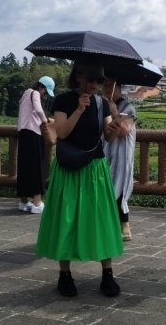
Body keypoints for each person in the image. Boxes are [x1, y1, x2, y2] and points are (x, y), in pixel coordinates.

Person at [36, 64, 124, 298]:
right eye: (90, 79)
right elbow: (61, 133)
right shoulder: (63, 101)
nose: (95, 84)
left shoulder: (102, 103)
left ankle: (107, 274)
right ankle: (65, 275)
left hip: (95, 168)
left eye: (99, 80)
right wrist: (78, 110)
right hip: (68, 168)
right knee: (66, 219)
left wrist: (115, 126)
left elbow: (108, 137)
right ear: (78, 76)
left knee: (101, 219)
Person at [102, 75, 136, 241]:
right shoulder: (101, 105)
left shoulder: (127, 107)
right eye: (105, 85)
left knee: (119, 190)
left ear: (119, 88)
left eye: (112, 85)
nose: (108, 88)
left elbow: (124, 132)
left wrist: (115, 113)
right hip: (105, 153)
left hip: (121, 156)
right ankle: (110, 226)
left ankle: (125, 227)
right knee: (105, 190)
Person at [17, 76, 55, 213]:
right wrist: (45, 122)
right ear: (41, 87)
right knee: (36, 167)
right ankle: (37, 203)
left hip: (23, 133)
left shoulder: (25, 94)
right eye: (45, 91)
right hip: (33, 134)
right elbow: (38, 110)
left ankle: (23, 202)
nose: (44, 94)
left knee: (24, 167)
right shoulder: (35, 93)